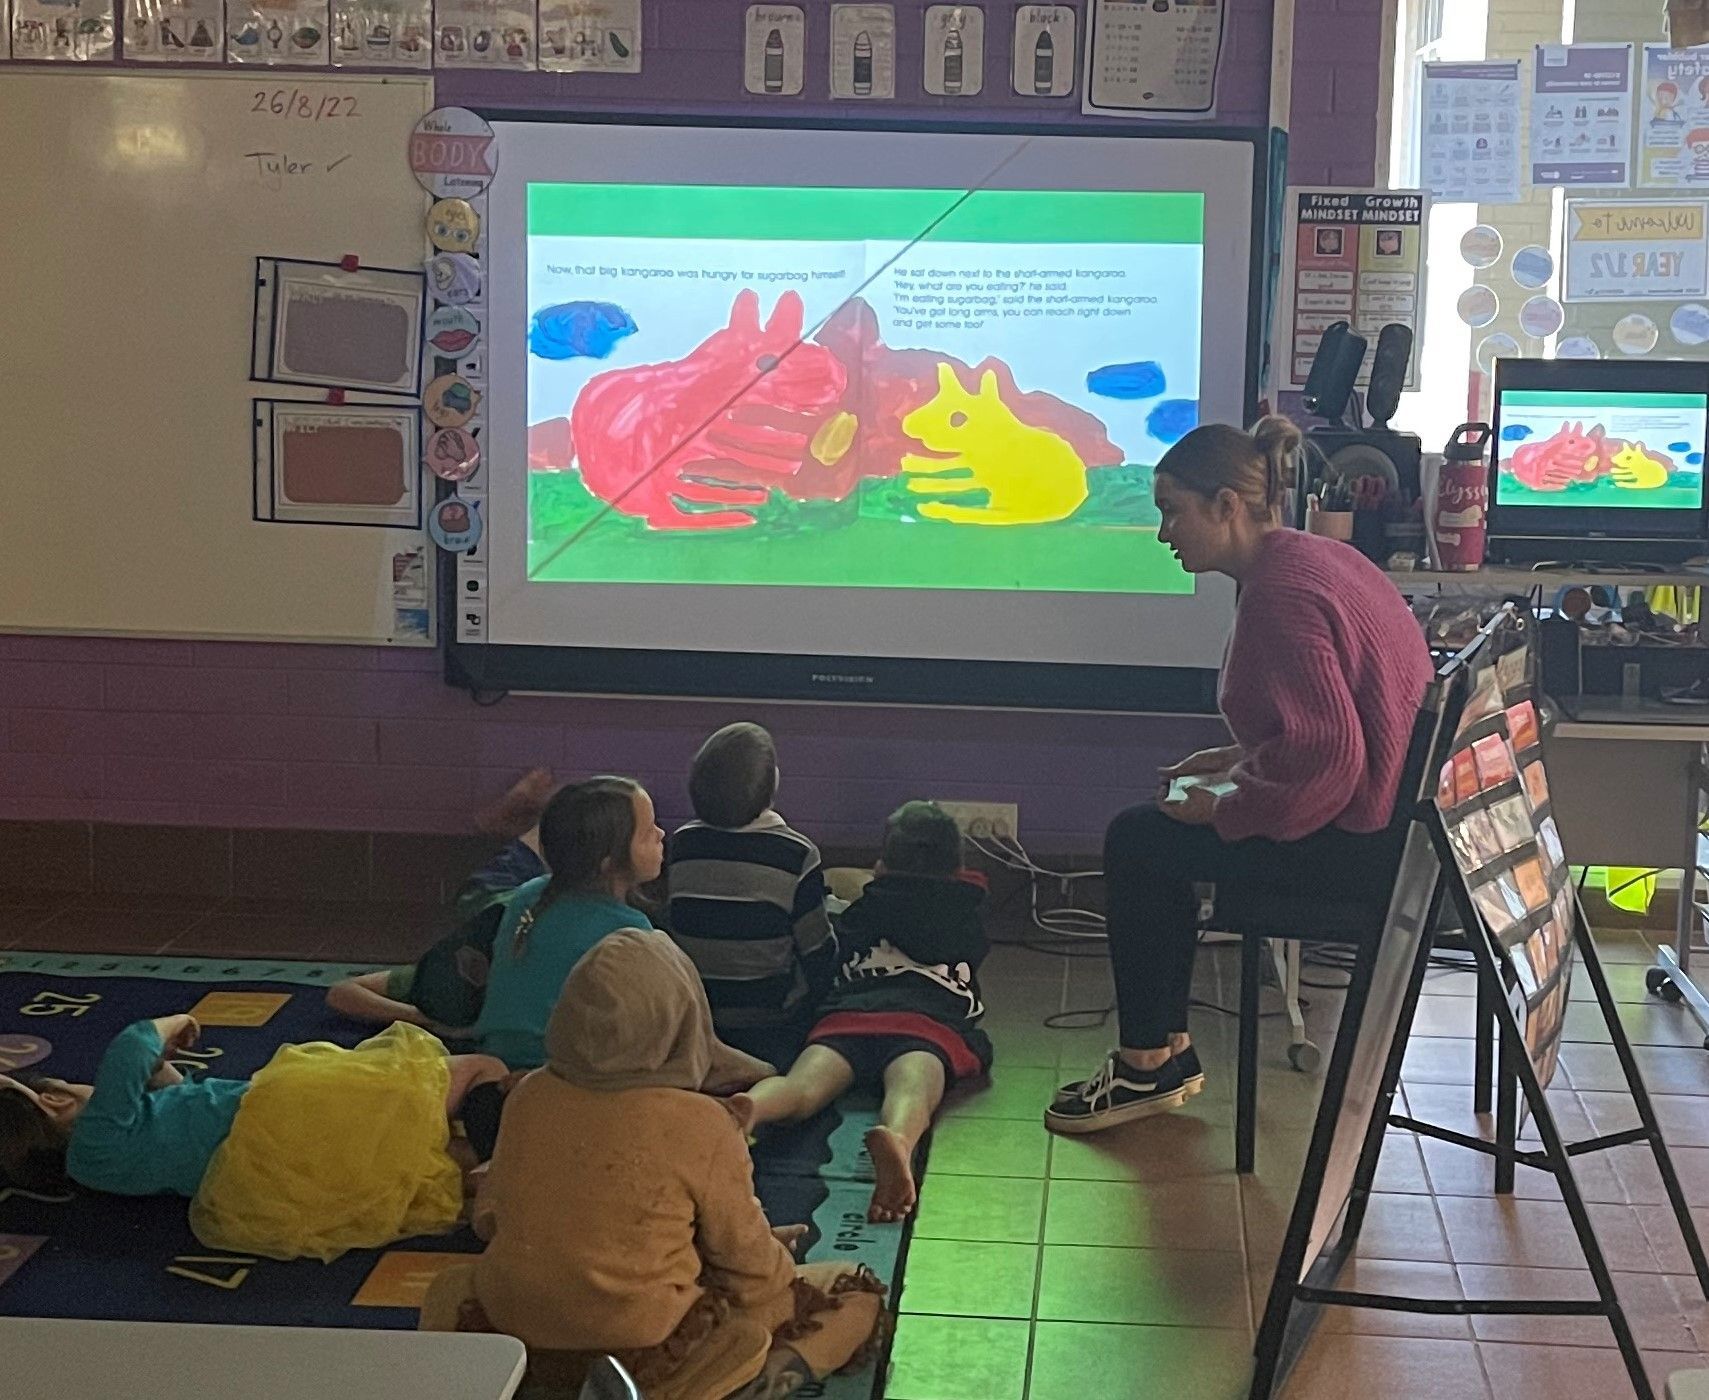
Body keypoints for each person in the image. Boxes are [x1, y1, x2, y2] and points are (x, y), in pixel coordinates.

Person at [1046, 417, 1433, 1135]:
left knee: (1139, 840)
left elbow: (1329, 761)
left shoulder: (1278, 596)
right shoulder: (1317, 559)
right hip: (1400, 835)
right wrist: (1233, 763)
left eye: (1172, 511)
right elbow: (1324, 729)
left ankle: (1145, 1063)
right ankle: (1161, 1054)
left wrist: (1225, 808)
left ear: (1226, 505)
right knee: (1156, 835)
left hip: (1359, 850)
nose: (1163, 533)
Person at [425, 929, 885, 1400]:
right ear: (685, 1019)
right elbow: (750, 1269)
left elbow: (489, 1219)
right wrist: (771, 1256)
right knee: (856, 1296)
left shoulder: (528, 1096)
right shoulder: (701, 1121)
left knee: (451, 1289)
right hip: (646, 1351)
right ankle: (754, 1384)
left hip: (517, 1335)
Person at [0, 1013, 509, 1261]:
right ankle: (509, 1141)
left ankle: (494, 1173)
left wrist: (160, 1070)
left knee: (429, 1163)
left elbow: (177, 1111)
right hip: (280, 1117)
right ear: (54, 1101)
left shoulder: (96, 1165)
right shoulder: (96, 1132)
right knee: (474, 1070)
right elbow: (131, 1046)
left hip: (269, 1179)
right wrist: (177, 1023)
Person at [739, 801, 991, 1223]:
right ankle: (897, 1141)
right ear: (957, 869)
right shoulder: (964, 913)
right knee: (912, 1091)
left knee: (801, 1086)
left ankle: (751, 1107)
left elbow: (839, 945)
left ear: (881, 866)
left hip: (850, 1015)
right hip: (925, 1024)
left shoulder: (866, 907)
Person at [325, 769, 555, 1035]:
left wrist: (427, 1020)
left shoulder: (449, 976)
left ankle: (531, 819)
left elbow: (342, 992)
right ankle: (536, 818)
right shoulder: (482, 967)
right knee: (575, 825)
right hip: (507, 899)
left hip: (494, 897)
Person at [665, 723, 837, 1066]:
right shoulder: (797, 853)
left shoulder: (683, 842)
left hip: (695, 1014)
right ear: (772, 783)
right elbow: (818, 952)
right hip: (771, 1022)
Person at [470, 775, 664, 1069]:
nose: (661, 834)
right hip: (561, 1070)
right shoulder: (631, 931)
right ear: (609, 862)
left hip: (495, 1055)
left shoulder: (528, 894)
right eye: (648, 832)